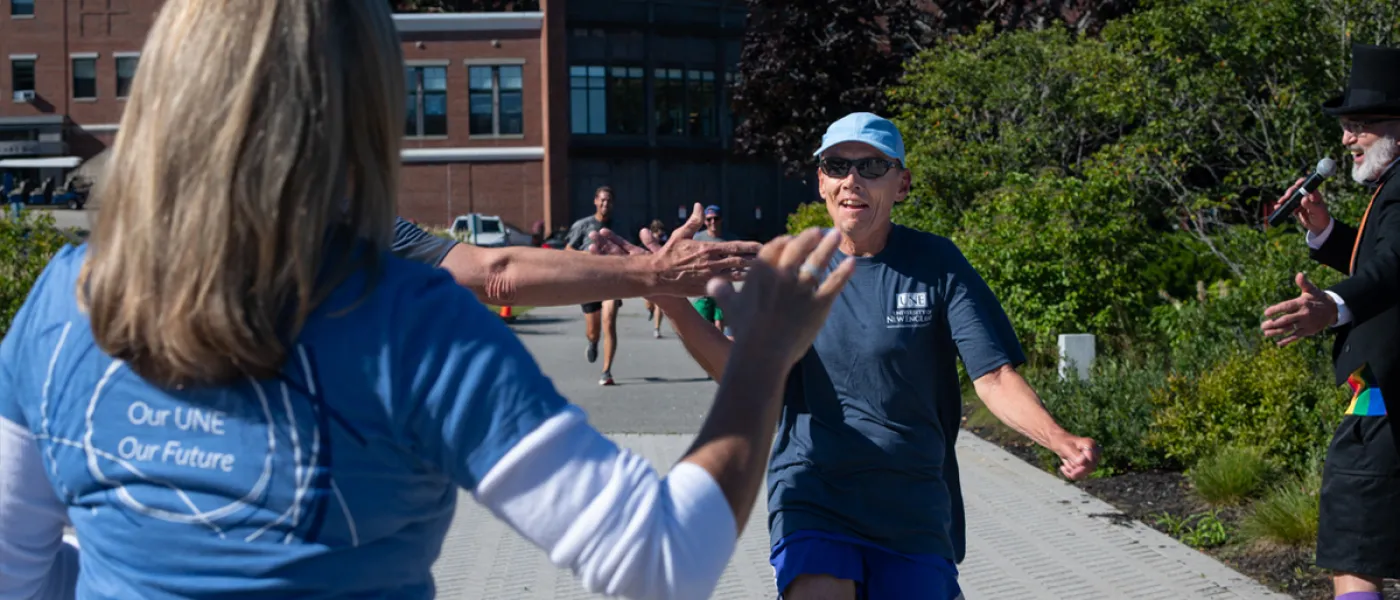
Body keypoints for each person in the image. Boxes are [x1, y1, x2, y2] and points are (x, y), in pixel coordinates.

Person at [0, 3, 856, 599]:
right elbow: (662, 559)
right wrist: (762, 359)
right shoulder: (405, 321)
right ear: (363, 109)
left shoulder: (61, 302)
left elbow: (16, 573)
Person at [593, 112, 1101, 599]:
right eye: (838, 166)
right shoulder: (792, 267)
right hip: (813, 489)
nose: (852, 180)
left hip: (912, 500)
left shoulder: (937, 263)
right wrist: (667, 299)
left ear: (901, 184)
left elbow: (992, 376)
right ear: (821, 182)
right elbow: (743, 373)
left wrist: (1056, 438)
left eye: (872, 166)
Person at [1261, 43, 1400, 600]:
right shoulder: (1390, 192)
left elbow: (1391, 269)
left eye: (1359, 124)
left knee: (1354, 528)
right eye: (1345, 126)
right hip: (1376, 387)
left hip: (1383, 391)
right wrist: (1324, 231)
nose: (1346, 139)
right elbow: (1381, 263)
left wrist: (1333, 305)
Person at [565, 186, 624, 385]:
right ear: (595, 201)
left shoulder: (618, 226)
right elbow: (567, 251)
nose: (605, 204)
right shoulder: (583, 225)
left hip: (611, 283)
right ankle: (592, 342)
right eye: (602, 200)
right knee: (594, 331)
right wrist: (588, 256)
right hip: (589, 283)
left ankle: (606, 371)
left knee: (609, 322)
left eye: (609, 200)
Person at [691, 205, 732, 337]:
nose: (713, 222)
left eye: (716, 218)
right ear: (704, 222)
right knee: (702, 326)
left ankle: (717, 353)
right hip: (703, 290)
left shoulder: (729, 239)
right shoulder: (697, 239)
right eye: (709, 219)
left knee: (719, 323)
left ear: (721, 220)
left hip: (723, 288)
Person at [643, 219, 671, 338]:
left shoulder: (665, 243)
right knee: (649, 304)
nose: (660, 237)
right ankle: (650, 310)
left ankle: (656, 328)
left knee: (660, 303)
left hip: (661, 276)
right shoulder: (647, 243)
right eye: (658, 235)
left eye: (661, 234)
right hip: (647, 275)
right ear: (653, 233)